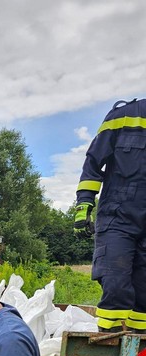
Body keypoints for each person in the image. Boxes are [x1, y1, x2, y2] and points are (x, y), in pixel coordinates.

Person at [74, 98, 146, 332]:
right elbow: (93, 161)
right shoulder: (124, 116)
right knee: (115, 284)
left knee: (144, 294)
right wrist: (84, 203)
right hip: (118, 217)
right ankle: (109, 344)